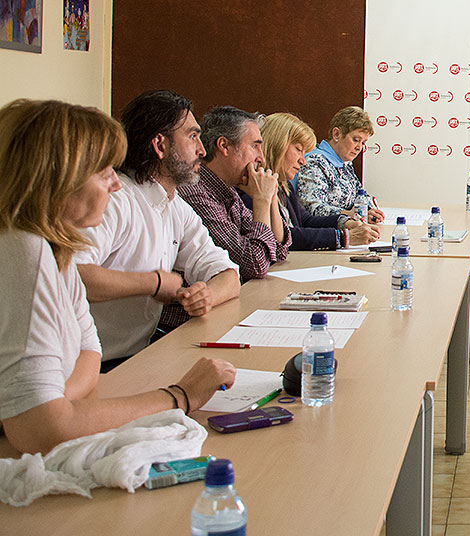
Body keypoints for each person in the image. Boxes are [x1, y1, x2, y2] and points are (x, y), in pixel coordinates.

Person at [0, 99, 235, 455]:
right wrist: (180, 396)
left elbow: (89, 353)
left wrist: (55, 401)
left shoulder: (59, 247)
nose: (114, 184)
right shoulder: (24, 251)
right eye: (103, 171)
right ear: (60, 178)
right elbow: (42, 432)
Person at [75, 90, 240, 367]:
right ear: (160, 146)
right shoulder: (116, 201)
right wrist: (155, 283)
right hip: (97, 364)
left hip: (139, 354)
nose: (202, 150)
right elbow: (73, 275)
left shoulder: (175, 206)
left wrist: (206, 295)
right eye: (192, 137)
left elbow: (227, 274)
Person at [177, 107, 291, 281]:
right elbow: (255, 265)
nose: (261, 158)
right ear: (224, 146)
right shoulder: (195, 193)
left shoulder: (228, 191)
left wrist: (271, 197)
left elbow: (278, 252)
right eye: (255, 146)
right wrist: (261, 200)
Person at [258, 112, 381, 251]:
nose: (302, 161)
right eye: (298, 150)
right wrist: (344, 236)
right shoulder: (255, 191)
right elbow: (285, 237)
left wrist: (345, 222)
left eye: (363, 143)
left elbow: (305, 220)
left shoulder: (282, 185)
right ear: (277, 146)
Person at [294, 106, 385, 223]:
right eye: (356, 140)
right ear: (336, 134)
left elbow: (360, 194)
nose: (359, 148)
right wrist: (349, 214)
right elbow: (313, 209)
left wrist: (369, 210)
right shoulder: (314, 162)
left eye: (363, 143)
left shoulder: (345, 162)